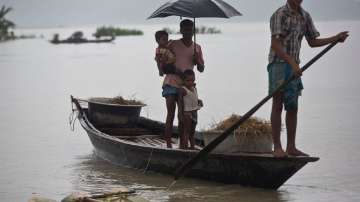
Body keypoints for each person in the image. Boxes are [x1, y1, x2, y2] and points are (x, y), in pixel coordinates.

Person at [268, 0, 349, 157]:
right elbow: (276, 45)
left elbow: (312, 41)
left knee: (293, 106)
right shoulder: (279, 15)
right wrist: (291, 62)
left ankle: (291, 147)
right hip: (278, 64)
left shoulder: (304, 16)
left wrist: (335, 39)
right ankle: (277, 147)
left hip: (294, 66)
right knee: (277, 104)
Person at [159, 19, 205, 148]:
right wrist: (175, 70)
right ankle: (168, 144)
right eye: (185, 30)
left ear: (193, 30)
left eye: (190, 30)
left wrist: (198, 61)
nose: (187, 32)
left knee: (184, 117)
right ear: (181, 30)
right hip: (171, 83)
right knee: (171, 114)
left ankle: (183, 144)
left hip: (186, 87)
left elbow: (201, 69)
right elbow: (163, 66)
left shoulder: (197, 48)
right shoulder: (172, 44)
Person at [178, 69, 203, 149]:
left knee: (192, 133)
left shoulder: (195, 88)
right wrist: (180, 114)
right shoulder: (182, 90)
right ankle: (185, 148)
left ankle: (192, 148)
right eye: (188, 80)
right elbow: (180, 103)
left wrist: (199, 101)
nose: (190, 82)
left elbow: (195, 98)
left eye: (192, 80)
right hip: (187, 114)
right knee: (186, 132)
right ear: (183, 80)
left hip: (195, 113)